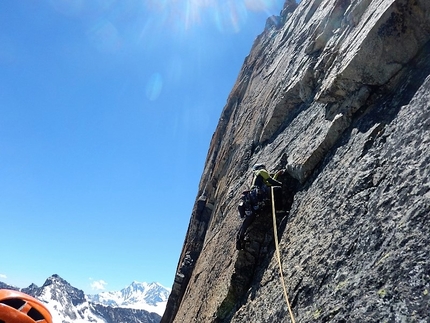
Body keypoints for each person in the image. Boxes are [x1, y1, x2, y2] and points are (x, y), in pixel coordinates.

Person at [236, 163, 284, 250]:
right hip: (260, 194)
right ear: (262, 167)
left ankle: (240, 238)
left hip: (253, 198)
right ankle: (279, 209)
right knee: (278, 189)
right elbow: (270, 181)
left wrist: (277, 175)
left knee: (250, 217)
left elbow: (268, 183)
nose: (266, 169)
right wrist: (281, 184)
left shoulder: (256, 177)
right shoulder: (261, 171)